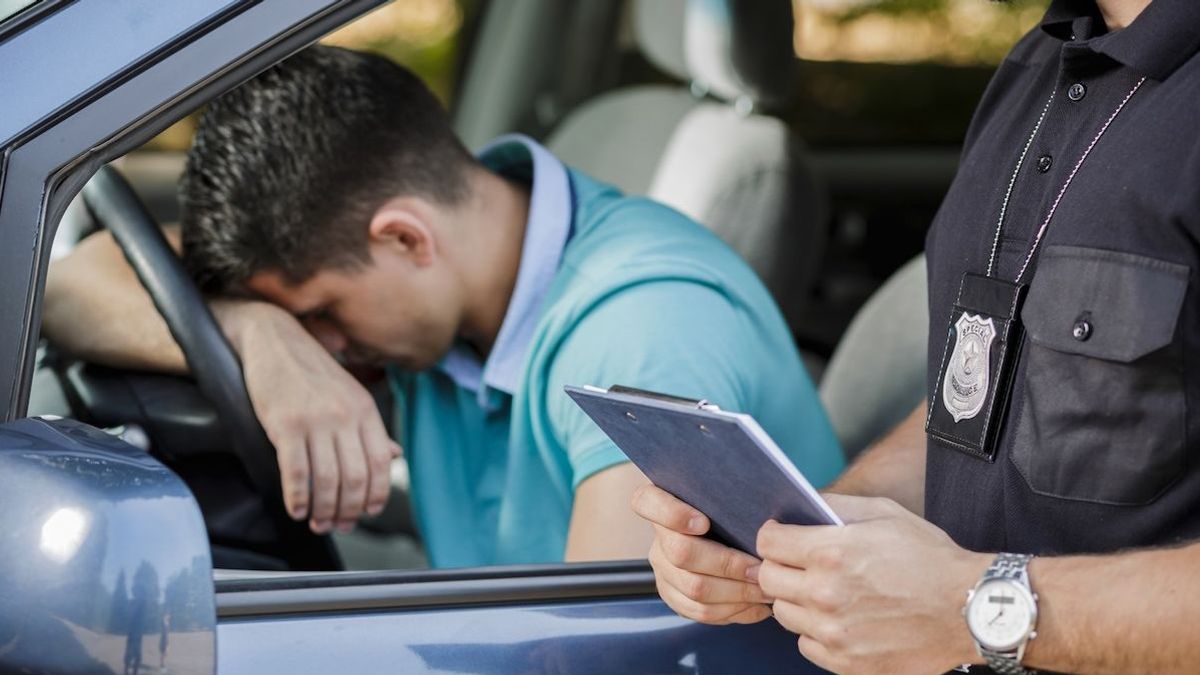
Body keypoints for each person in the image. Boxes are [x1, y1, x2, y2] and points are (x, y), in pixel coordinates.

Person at [42, 46, 845, 568]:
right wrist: (259, 334)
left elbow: (601, 650)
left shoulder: (641, 332)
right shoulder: (448, 280)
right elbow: (70, 286)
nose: (323, 345)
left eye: (322, 312)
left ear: (405, 237)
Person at [632, 0, 1200, 672]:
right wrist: (796, 538)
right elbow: (993, 402)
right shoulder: (1041, 60)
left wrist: (977, 605)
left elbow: (960, 601)